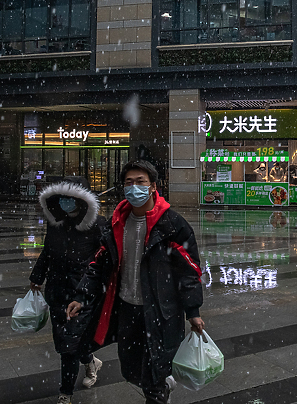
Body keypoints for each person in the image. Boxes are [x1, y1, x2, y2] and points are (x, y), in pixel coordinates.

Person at [66, 160, 205, 404]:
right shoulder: (116, 223)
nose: (134, 187)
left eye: (140, 182)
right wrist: (81, 295)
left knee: (153, 374)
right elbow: (99, 264)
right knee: (130, 370)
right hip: (126, 308)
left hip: (161, 311)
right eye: (129, 183)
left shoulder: (171, 224)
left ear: (153, 186)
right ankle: (163, 382)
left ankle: (159, 388)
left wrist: (192, 310)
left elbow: (189, 270)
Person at [29, 178, 106, 404]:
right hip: (57, 291)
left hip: (82, 294)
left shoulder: (97, 225)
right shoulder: (55, 224)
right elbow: (47, 251)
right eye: (61, 199)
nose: (65, 203)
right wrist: (37, 276)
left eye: (69, 199)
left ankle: (66, 393)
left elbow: (104, 259)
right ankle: (90, 361)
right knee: (66, 340)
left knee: (68, 345)